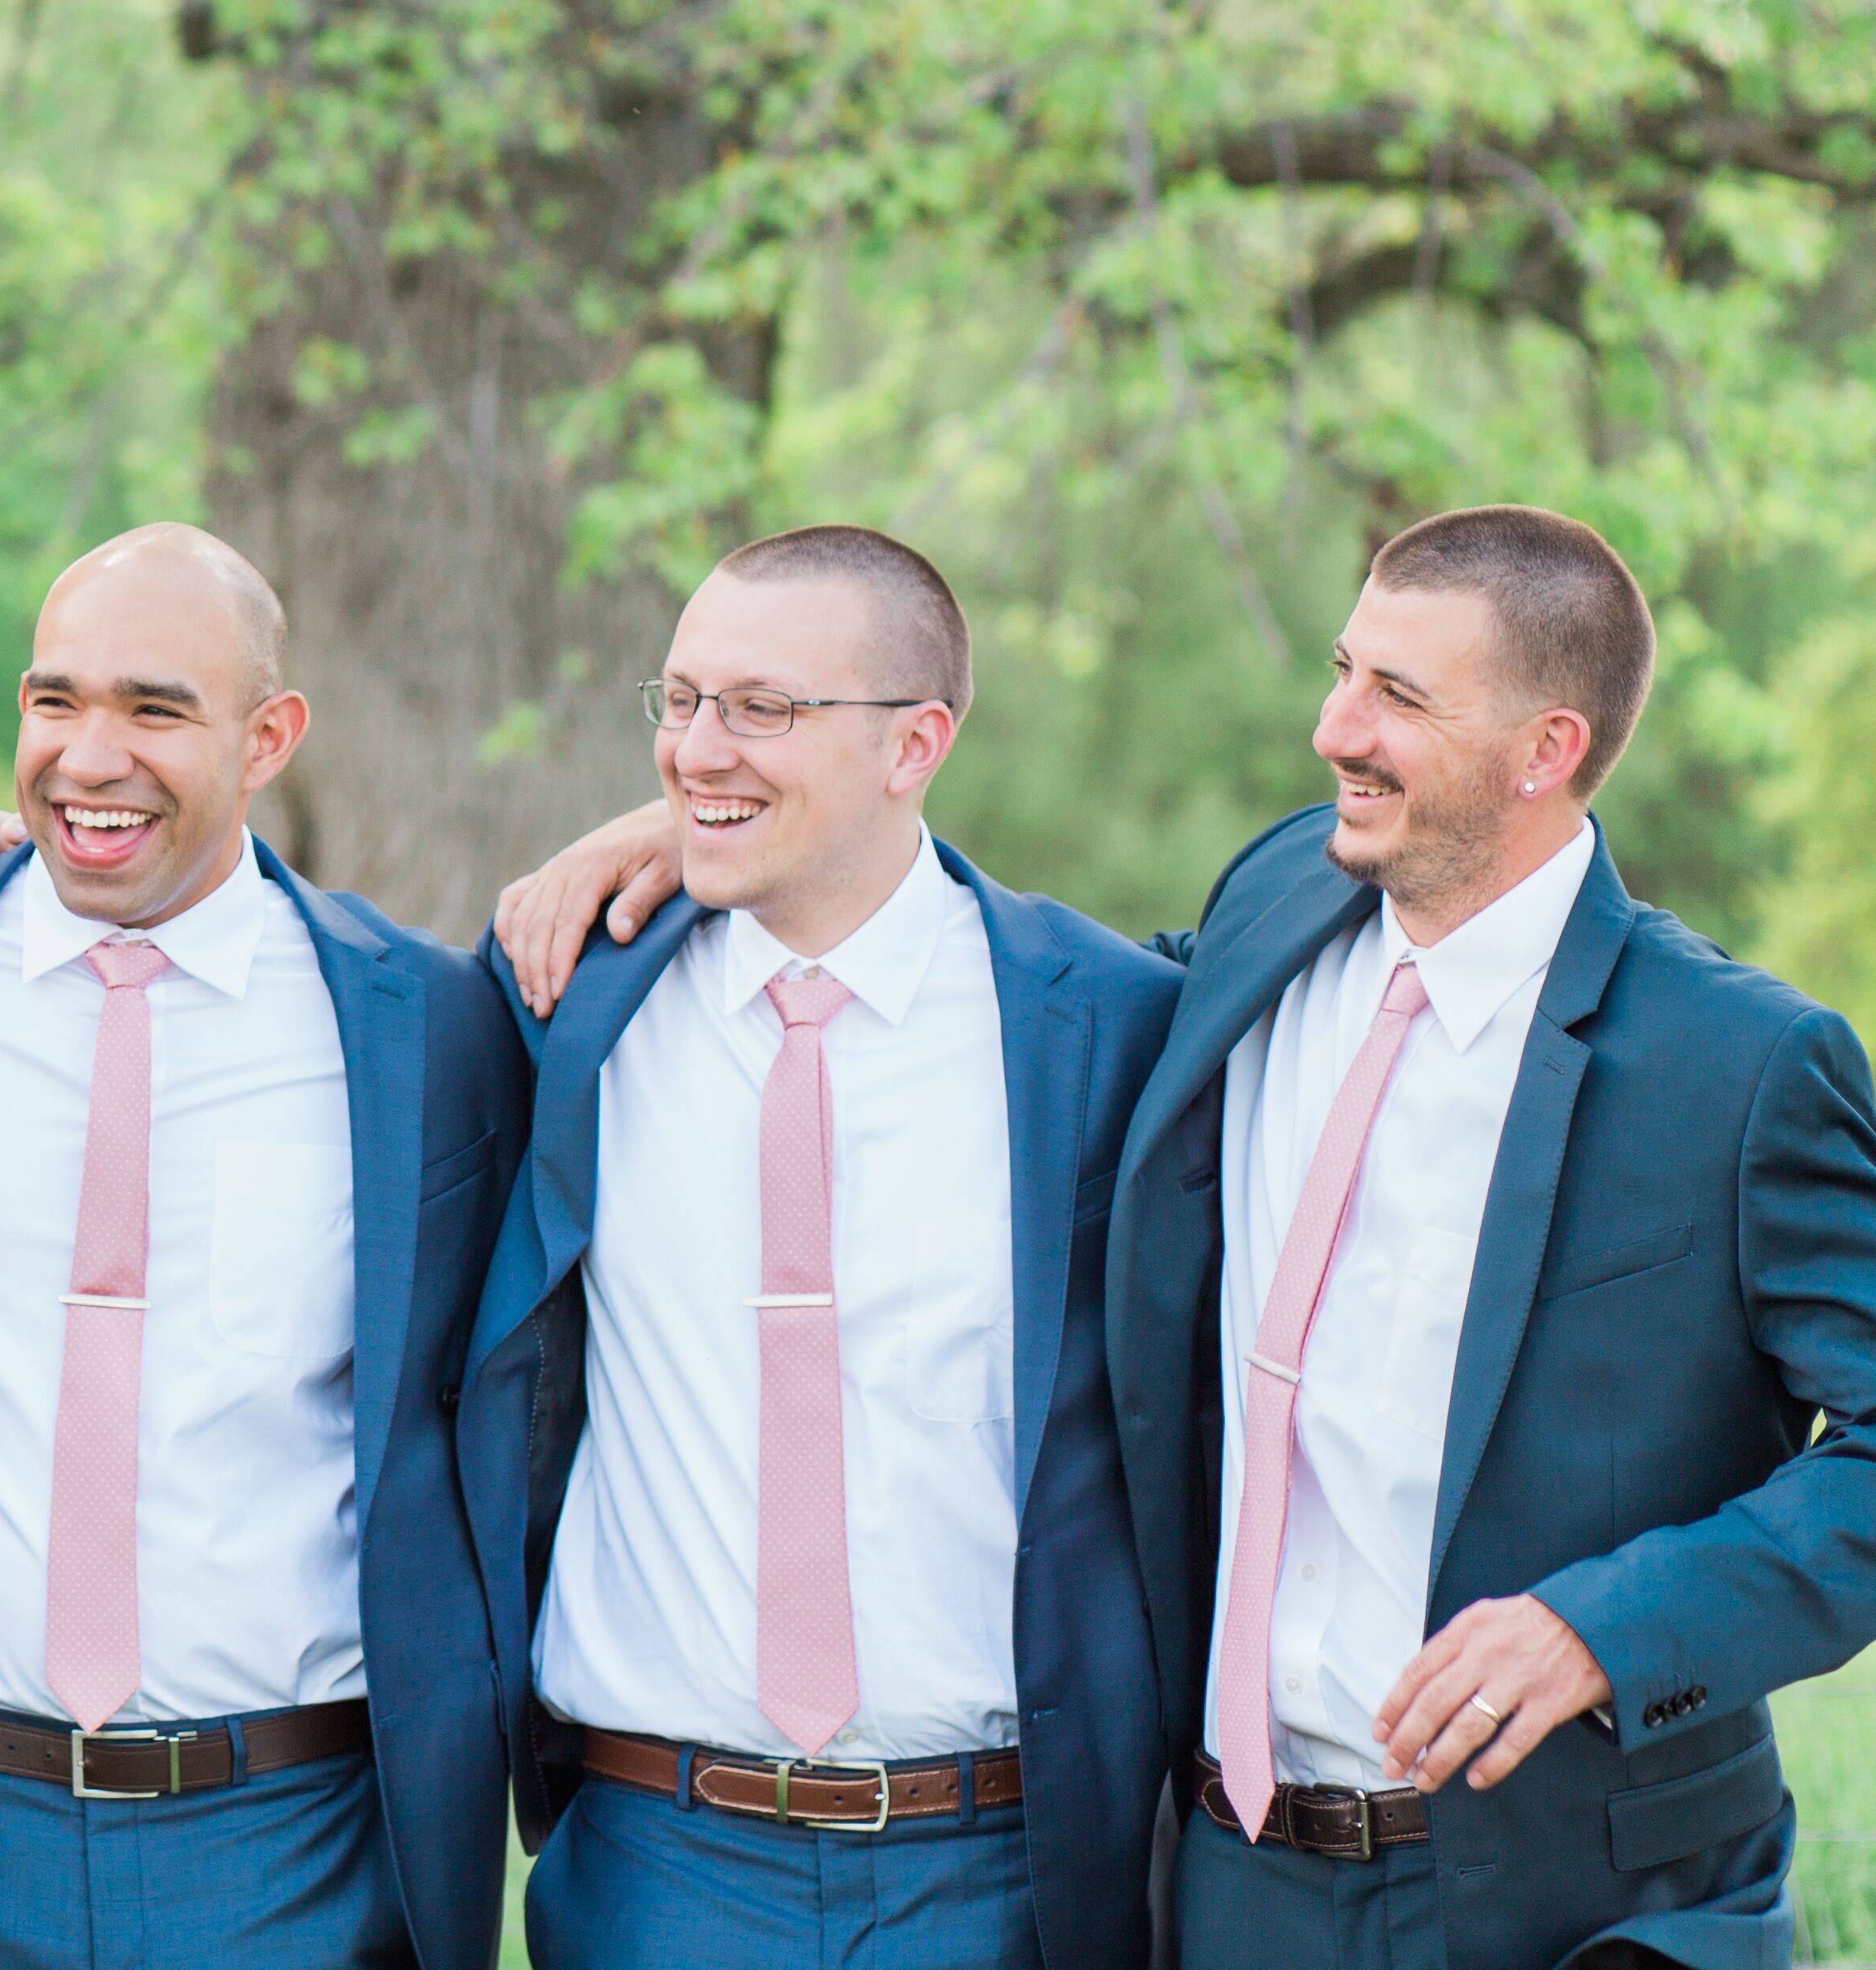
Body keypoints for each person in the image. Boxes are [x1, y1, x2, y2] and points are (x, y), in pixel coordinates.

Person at [492, 505, 1876, 1970]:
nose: (1336, 727)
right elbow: (991, 961)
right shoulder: (1274, 920)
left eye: (1399, 699)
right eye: (1344, 671)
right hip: (1235, 1882)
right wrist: (744, 810)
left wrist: (1609, 1630)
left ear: (1545, 751)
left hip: (1571, 1888)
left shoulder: (1738, 1066)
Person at [0, 523, 523, 1970]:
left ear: (268, 737)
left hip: (290, 1843)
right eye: (56, 702)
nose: (88, 755)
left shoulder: (430, 1030)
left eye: (156, 709)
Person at [458, 528, 1175, 1969]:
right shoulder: (558, 1006)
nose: (696, 749)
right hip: (657, 1866)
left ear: (917, 743)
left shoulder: (1113, 1028)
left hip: (1003, 1873)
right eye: (679, 702)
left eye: (763, 710)